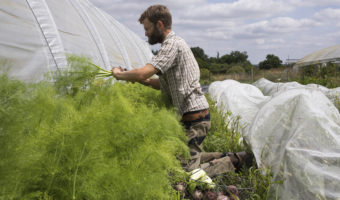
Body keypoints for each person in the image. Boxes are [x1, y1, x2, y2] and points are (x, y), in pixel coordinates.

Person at [111, 5, 251, 176]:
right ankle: (224, 156)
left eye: (147, 28)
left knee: (186, 173)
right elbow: (162, 84)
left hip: (196, 118)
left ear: (160, 25)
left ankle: (235, 161)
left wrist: (120, 75)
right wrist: (143, 81)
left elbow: (144, 72)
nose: (146, 33)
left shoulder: (172, 45)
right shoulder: (172, 45)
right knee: (180, 158)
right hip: (189, 117)